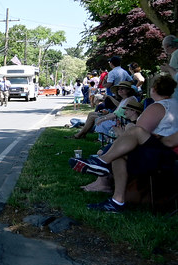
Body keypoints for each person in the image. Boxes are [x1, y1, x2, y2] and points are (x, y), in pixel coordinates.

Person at [71, 75, 178, 212]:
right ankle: (117, 201)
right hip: (161, 153)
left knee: (134, 131)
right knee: (119, 154)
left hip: (165, 156)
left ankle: (101, 162)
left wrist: (153, 136)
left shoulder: (159, 106)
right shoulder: (175, 104)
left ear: (153, 89)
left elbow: (167, 141)